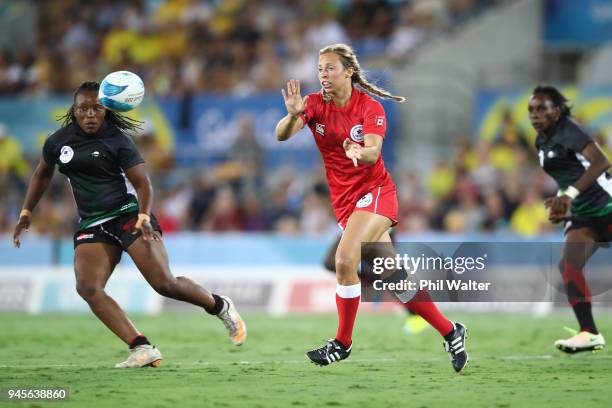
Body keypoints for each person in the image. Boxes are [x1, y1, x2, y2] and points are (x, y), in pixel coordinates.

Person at [12, 81, 247, 368]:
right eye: (83, 108)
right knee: (88, 287)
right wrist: (26, 210)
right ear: (73, 111)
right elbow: (42, 174)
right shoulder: (58, 141)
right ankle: (141, 347)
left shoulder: (118, 140)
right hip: (94, 223)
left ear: (106, 110)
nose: (89, 114)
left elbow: (143, 184)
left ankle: (220, 306)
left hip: (130, 214)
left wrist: (145, 215)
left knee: (165, 284)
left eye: (96, 108)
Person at [275, 44, 468, 371]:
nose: (323, 74)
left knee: (343, 259)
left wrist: (357, 151)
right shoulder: (313, 105)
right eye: (320, 68)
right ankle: (451, 331)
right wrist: (293, 114)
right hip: (346, 202)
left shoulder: (370, 108)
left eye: (330, 68)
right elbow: (282, 135)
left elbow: (373, 153)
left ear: (348, 71)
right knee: (394, 277)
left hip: (376, 193)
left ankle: (342, 343)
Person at [529, 85, 608, 353]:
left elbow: (600, 162)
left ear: (558, 111)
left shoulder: (569, 130)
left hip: (607, 204)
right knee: (569, 266)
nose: (534, 114)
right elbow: (572, 173)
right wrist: (561, 198)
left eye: (542, 108)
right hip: (583, 212)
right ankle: (589, 332)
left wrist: (569, 195)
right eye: (531, 109)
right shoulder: (541, 141)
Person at [322, 232, 429, 335]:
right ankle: (418, 308)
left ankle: (419, 310)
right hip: (353, 224)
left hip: (375, 223)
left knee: (385, 274)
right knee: (332, 263)